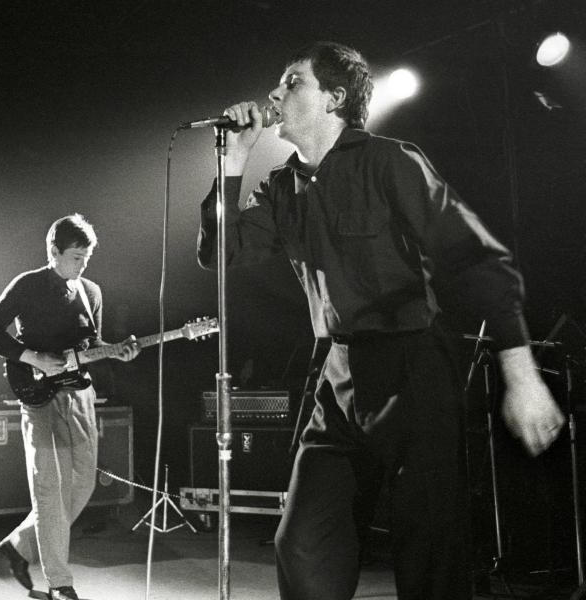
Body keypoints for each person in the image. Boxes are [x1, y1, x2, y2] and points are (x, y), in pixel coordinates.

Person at [195, 41, 566, 600]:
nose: (274, 93)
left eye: (293, 82)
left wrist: (521, 371)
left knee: (430, 546)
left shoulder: (391, 160)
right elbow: (219, 256)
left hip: (413, 364)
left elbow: (473, 257)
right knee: (304, 541)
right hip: (340, 373)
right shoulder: (280, 187)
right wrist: (232, 164)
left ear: (335, 99)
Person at [0, 214, 139, 600]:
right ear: (53, 251)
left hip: (81, 397)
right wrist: (32, 357)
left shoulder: (91, 291)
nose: (82, 265)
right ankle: (59, 584)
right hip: (39, 397)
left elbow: (91, 344)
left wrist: (117, 351)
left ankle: (18, 545)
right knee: (49, 490)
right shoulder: (28, 285)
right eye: (75, 257)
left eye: (86, 257)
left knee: (82, 485)